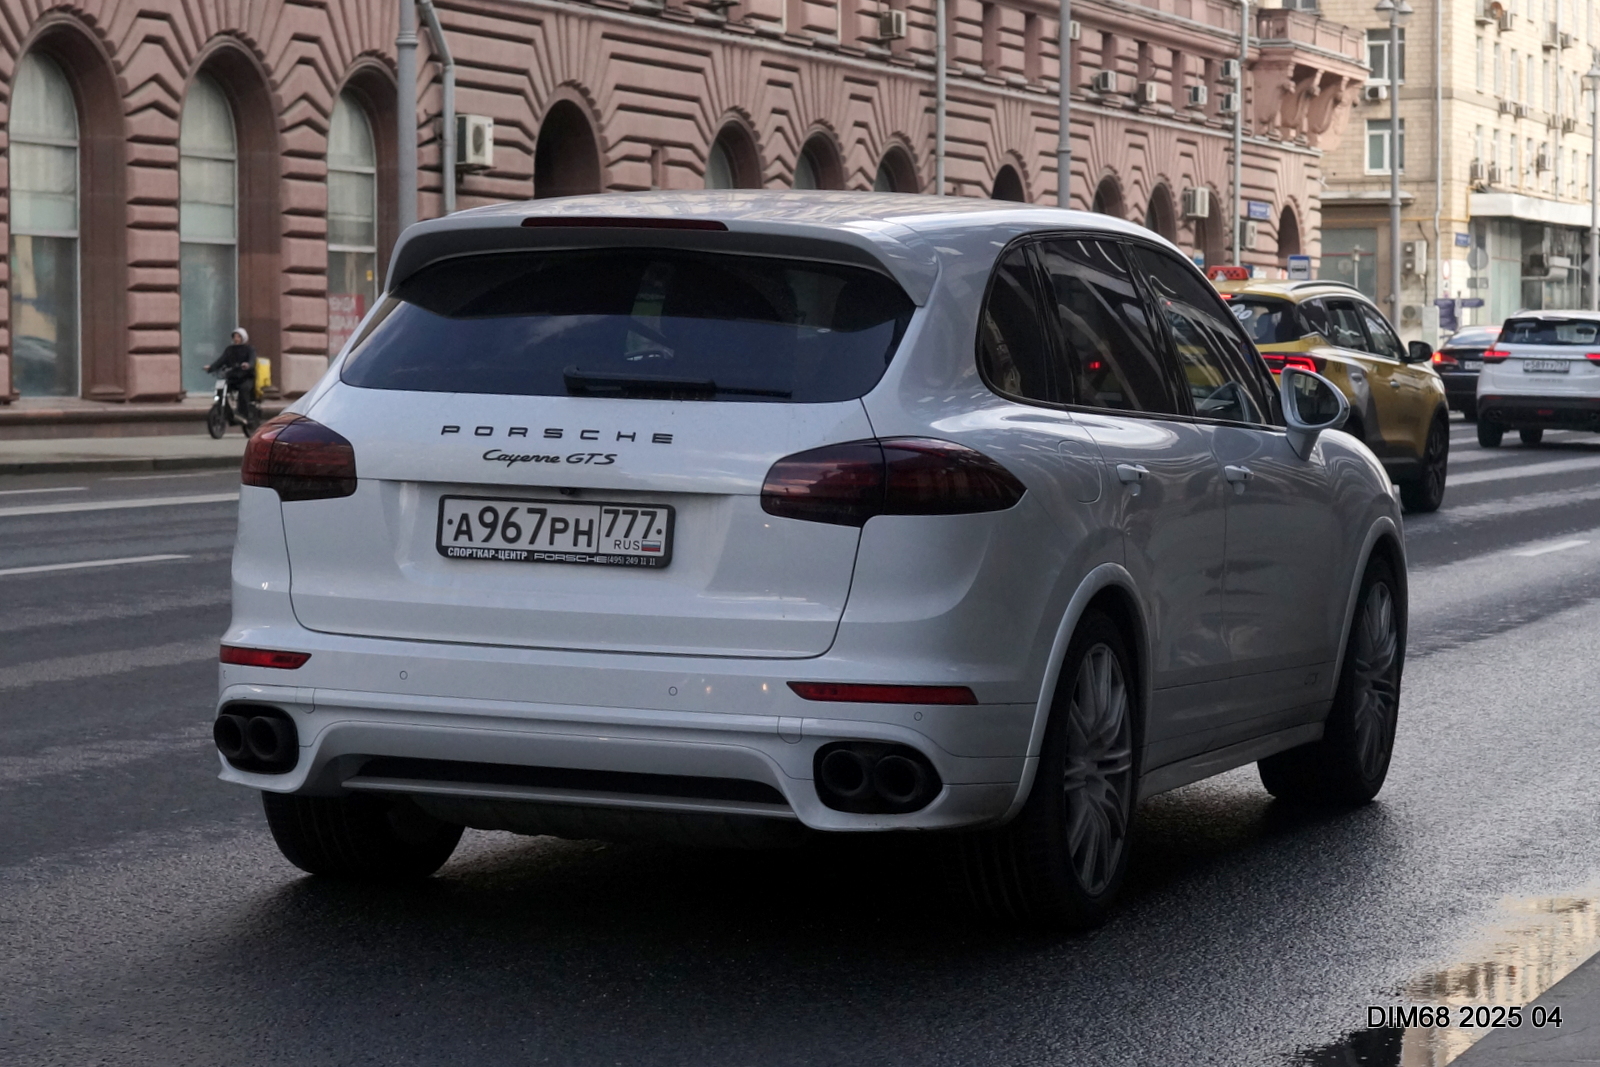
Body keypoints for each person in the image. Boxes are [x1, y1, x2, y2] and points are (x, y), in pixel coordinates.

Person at [205, 328, 256, 419]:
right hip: (233, 378)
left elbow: (252, 360)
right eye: (234, 336)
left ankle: (244, 414)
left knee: (243, 391)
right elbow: (221, 360)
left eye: (238, 336)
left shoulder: (249, 349)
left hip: (246, 378)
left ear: (243, 338)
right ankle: (227, 413)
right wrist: (211, 367)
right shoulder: (229, 349)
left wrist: (247, 365)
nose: (236, 339)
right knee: (220, 391)